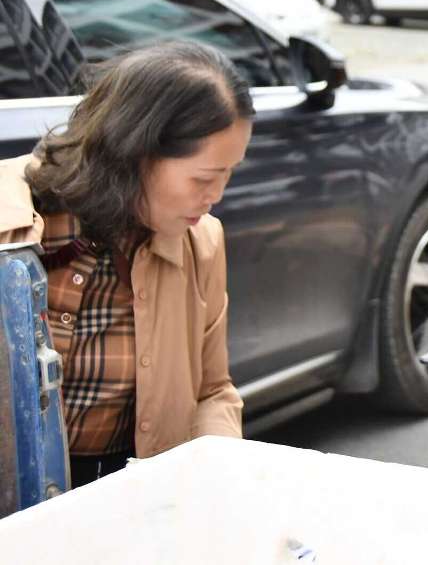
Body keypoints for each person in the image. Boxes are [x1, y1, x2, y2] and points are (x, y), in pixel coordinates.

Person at [0, 41, 252, 487]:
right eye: (204, 178)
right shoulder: (13, 223)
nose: (216, 197)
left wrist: (223, 478)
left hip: (127, 497)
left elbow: (212, 392)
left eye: (229, 175)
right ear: (134, 152)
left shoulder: (201, 242)